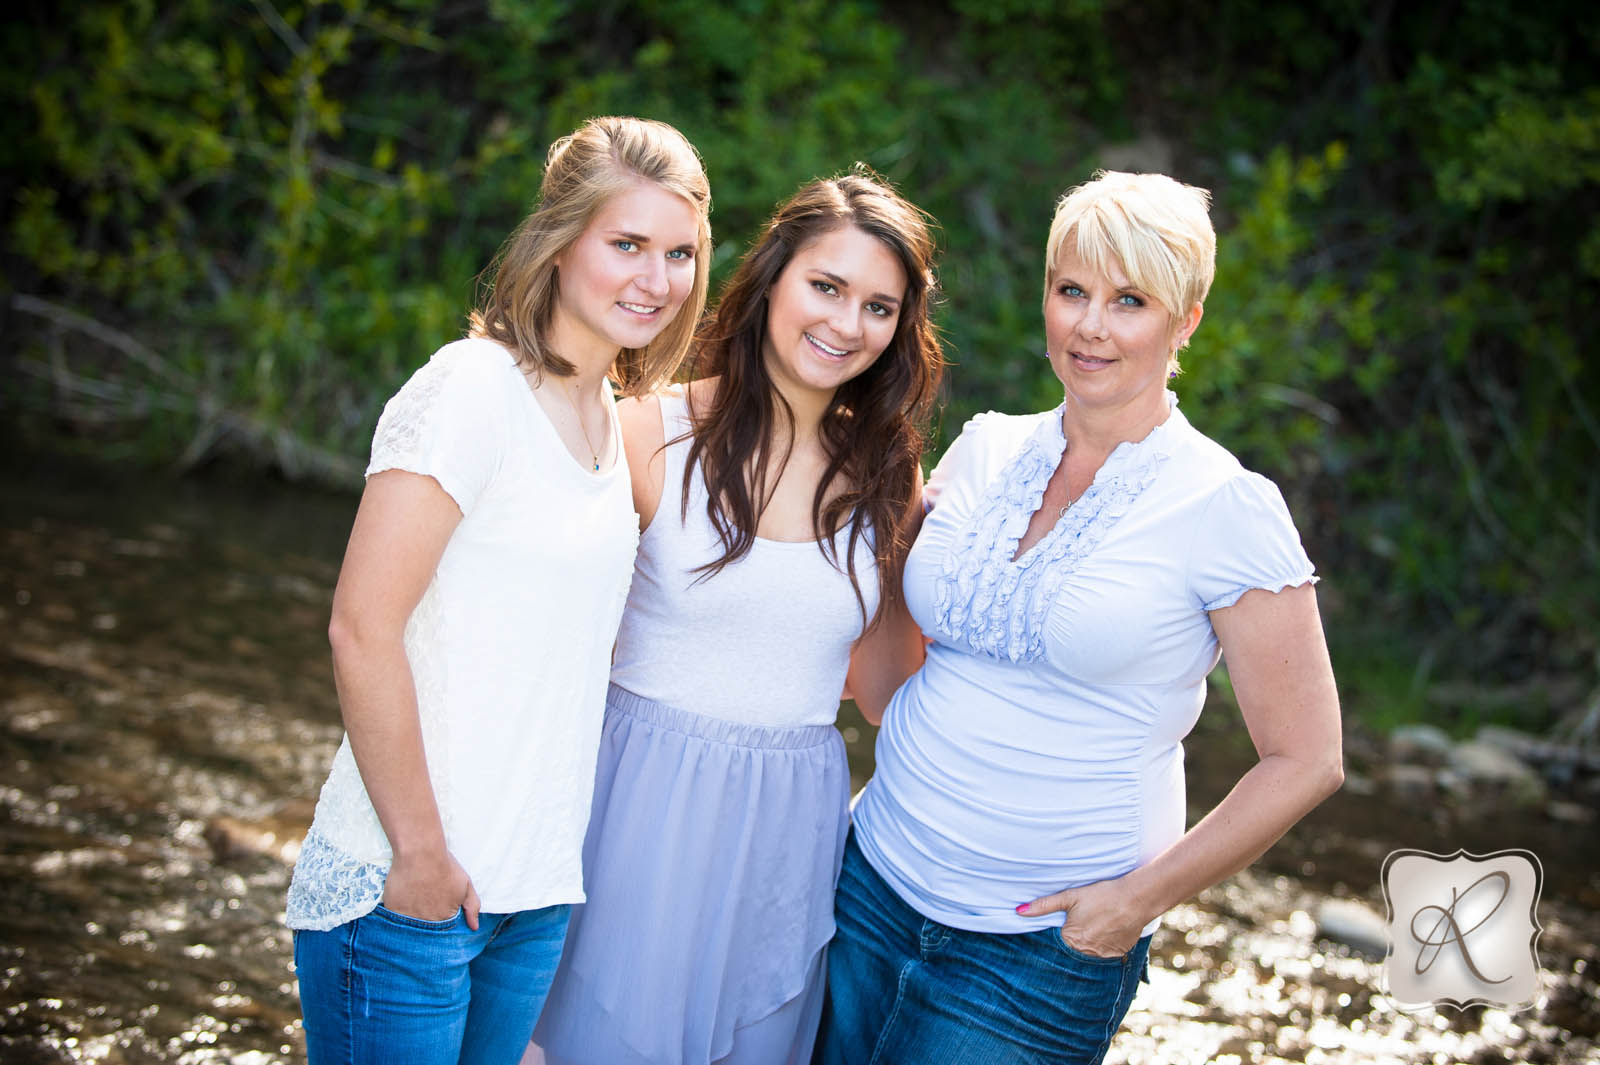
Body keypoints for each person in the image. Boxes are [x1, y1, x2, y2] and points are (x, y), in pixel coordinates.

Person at [816, 169, 1345, 1065]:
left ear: (1186, 322)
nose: (1091, 325)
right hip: (870, 882)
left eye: (1129, 300)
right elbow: (893, 657)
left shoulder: (1225, 504)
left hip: (1038, 951)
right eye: (1072, 291)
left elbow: (1308, 759)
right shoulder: (986, 447)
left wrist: (1135, 904)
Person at [284, 115, 713, 1065]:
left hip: (532, 898)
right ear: (560, 246)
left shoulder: (609, 422)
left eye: (679, 252)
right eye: (628, 244)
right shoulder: (472, 389)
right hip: (408, 891)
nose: (657, 278)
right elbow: (361, 627)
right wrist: (421, 857)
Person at [529, 168, 943, 1065]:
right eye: (826, 286)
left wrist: (956, 555)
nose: (845, 323)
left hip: (790, 824)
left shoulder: (885, 481)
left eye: (879, 307)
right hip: (633, 797)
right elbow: (553, 656)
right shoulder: (644, 432)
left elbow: (884, 694)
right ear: (771, 280)